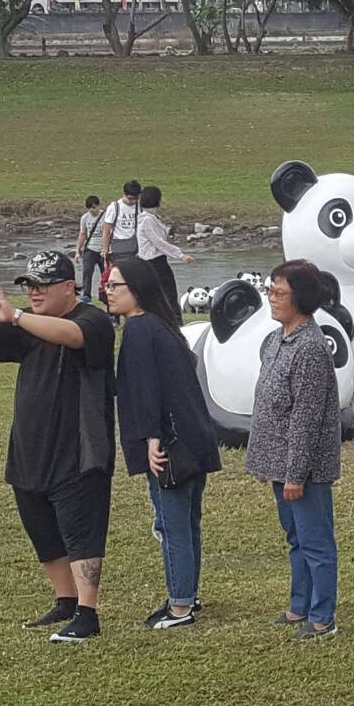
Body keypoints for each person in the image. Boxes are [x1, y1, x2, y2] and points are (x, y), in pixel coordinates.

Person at [0, 250, 115, 643]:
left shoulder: (93, 319)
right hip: (30, 447)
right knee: (42, 529)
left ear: (67, 287)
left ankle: (88, 613)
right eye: (29, 286)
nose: (34, 293)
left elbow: (74, 338)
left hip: (79, 449)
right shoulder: (24, 320)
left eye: (42, 286)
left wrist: (19, 316)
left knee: (81, 532)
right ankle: (65, 601)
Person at [109, 257, 222, 629]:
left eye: (115, 286)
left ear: (137, 289)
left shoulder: (141, 329)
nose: (107, 292)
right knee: (187, 523)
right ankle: (187, 593)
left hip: (172, 444)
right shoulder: (164, 326)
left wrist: (152, 439)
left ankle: (180, 607)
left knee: (171, 524)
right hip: (195, 438)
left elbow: (147, 391)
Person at [247, 260, 344, 641]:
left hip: (303, 468)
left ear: (300, 299)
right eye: (269, 290)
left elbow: (305, 418)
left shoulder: (310, 349)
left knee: (316, 541)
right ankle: (298, 606)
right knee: (295, 538)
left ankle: (323, 617)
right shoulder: (276, 340)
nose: (271, 298)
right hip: (278, 462)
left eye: (278, 293)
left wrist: (294, 474)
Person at [135, 185, 195, 324]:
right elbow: (158, 242)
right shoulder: (148, 220)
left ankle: (167, 322)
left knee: (158, 296)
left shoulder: (150, 218)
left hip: (150, 262)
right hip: (155, 261)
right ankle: (176, 325)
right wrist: (180, 255)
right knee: (169, 295)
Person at [74, 195, 105, 303]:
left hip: (103, 250)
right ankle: (86, 295)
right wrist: (77, 251)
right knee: (87, 272)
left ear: (98, 206)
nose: (92, 210)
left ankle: (104, 294)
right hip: (90, 248)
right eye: (89, 208)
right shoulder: (85, 218)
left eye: (93, 207)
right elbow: (82, 234)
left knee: (105, 274)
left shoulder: (106, 216)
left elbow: (110, 233)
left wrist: (107, 248)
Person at [101, 180, 142, 259]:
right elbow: (106, 231)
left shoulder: (139, 207)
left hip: (134, 246)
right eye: (130, 198)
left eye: (136, 198)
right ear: (124, 194)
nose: (133, 201)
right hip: (118, 247)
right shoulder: (114, 207)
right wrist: (105, 251)